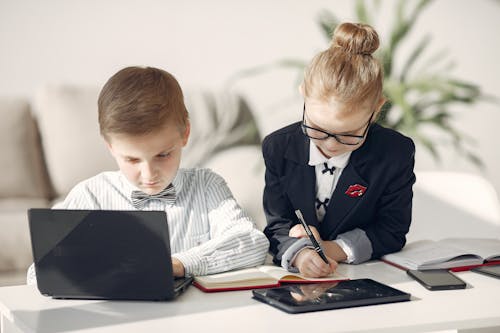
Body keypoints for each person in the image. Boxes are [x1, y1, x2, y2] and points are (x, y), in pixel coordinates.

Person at [27, 66, 269, 284]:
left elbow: (251, 242)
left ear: (185, 134)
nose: (149, 173)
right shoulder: (91, 195)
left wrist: (177, 264)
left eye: (163, 155)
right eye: (132, 159)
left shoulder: (207, 186)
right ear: (110, 146)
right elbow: (37, 272)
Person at [262, 22, 416, 278]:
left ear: (376, 109)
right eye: (318, 128)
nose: (331, 144)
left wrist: (332, 249)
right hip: (301, 280)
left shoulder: (394, 153)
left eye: (349, 134)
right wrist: (300, 253)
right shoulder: (278, 147)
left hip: (369, 275)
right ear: (303, 95)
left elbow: (392, 230)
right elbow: (278, 225)